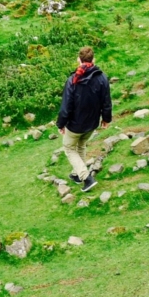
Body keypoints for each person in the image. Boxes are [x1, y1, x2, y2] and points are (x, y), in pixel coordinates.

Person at [56, 46, 113, 192]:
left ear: (78, 60)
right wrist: (106, 119)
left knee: (69, 148)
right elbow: (106, 102)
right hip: (92, 123)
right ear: (93, 60)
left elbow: (66, 107)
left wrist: (61, 124)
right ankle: (76, 175)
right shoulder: (102, 78)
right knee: (81, 145)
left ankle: (86, 178)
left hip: (75, 125)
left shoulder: (73, 80)